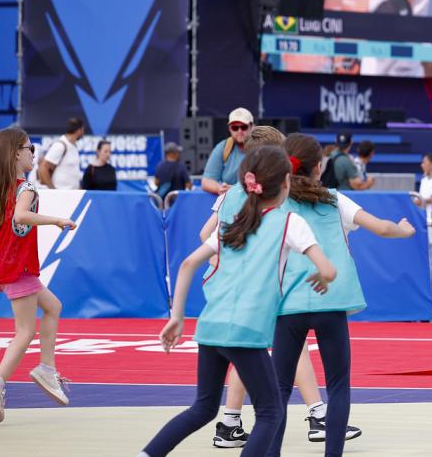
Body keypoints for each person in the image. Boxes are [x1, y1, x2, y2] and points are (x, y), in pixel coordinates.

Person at [143, 146, 339, 457]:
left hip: (210, 327)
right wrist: (324, 277)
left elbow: (187, 265)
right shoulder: (290, 222)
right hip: (246, 331)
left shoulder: (232, 223)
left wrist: (177, 317)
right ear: (286, 182)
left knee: (203, 408)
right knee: (270, 413)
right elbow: (328, 268)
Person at [268, 134, 416, 456]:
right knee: (337, 385)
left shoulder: (275, 203)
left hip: (286, 304)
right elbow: (382, 228)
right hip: (330, 301)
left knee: (278, 388)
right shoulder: (335, 200)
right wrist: (404, 228)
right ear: (319, 167)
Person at [0, 126, 79, 423]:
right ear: (16, 154)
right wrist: (56, 220)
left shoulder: (1, 191)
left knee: (53, 307)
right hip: (20, 269)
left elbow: (0, 235)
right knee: (25, 331)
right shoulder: (26, 189)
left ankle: (46, 367)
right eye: (30, 148)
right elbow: (21, 218)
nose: (33, 153)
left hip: (10, 268)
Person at [202, 109, 255, 194]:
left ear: (252, 127)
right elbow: (207, 181)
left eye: (244, 127)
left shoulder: (263, 149)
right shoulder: (223, 147)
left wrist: (236, 190)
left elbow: (269, 183)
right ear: (230, 129)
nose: (239, 131)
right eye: (235, 128)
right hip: (231, 203)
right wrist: (220, 188)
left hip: (257, 204)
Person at [37, 117, 84, 190]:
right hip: (61, 195)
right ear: (78, 131)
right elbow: (43, 168)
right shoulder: (60, 146)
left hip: (73, 195)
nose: (83, 132)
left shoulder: (73, 146)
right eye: (82, 130)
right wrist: (53, 190)